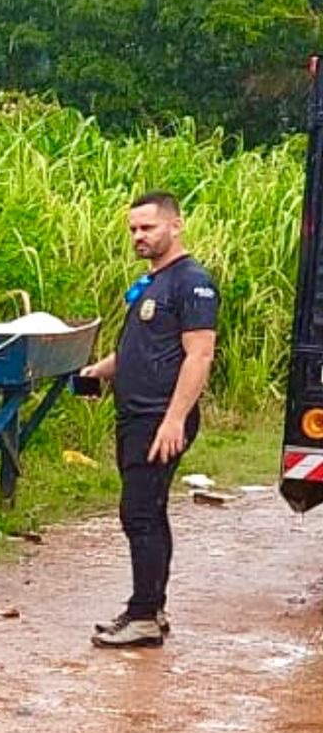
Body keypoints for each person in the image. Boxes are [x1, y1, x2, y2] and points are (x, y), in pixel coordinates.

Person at [80, 192, 217, 648]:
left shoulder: (191, 282)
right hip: (136, 415)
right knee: (150, 512)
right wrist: (100, 371)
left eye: (148, 227)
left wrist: (175, 419)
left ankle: (142, 617)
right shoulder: (153, 282)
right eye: (134, 229)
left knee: (139, 512)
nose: (139, 236)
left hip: (159, 418)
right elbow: (141, 349)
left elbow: (199, 355)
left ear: (175, 226)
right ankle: (151, 609)